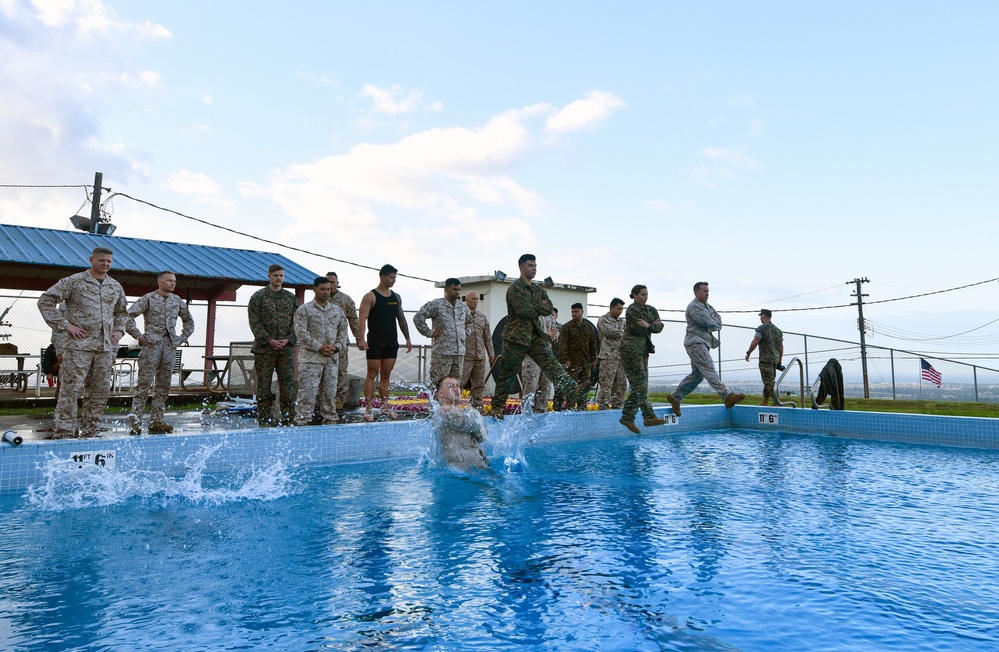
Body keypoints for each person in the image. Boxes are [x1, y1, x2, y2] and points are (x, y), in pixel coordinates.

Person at [37, 246, 128, 438]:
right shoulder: (74, 281)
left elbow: (121, 312)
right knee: (70, 390)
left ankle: (91, 432)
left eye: (109, 261)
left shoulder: (115, 286)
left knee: (99, 393)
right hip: (78, 348)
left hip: (104, 349)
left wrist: (119, 330)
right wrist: (65, 325)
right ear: (91, 260)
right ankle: (64, 433)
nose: (105, 264)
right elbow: (45, 301)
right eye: (102, 260)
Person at [488, 254, 590, 419]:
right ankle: (496, 408)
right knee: (508, 373)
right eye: (530, 265)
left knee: (552, 365)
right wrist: (538, 306)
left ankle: (573, 389)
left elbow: (548, 307)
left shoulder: (538, 289)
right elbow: (524, 311)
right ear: (521, 267)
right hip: (516, 338)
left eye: (535, 265)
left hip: (536, 336)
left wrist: (536, 306)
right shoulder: (515, 288)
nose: (534, 268)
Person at [125, 271, 196, 435]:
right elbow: (128, 316)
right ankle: (135, 423)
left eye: (174, 281)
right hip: (151, 346)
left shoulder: (177, 301)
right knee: (143, 385)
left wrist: (181, 338)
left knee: (163, 386)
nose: (173, 284)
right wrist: (139, 337)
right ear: (160, 282)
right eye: (169, 281)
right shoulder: (148, 298)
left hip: (170, 346)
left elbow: (189, 321)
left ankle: (157, 421)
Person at [666, 282, 745, 416]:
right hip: (695, 342)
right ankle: (727, 395)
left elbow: (719, 322)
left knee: (697, 375)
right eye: (704, 291)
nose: (707, 294)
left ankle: (676, 397)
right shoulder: (693, 306)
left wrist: (712, 322)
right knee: (708, 368)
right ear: (696, 292)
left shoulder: (708, 307)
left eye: (708, 291)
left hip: (703, 342)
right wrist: (711, 322)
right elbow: (707, 322)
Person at [357, 264, 413, 421]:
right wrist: (361, 339)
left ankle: (384, 407)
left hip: (391, 342)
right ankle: (368, 409)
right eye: (391, 277)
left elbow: (401, 318)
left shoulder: (396, 297)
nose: (394, 280)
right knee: (372, 374)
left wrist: (407, 338)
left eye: (395, 277)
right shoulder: (370, 296)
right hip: (375, 342)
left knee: (386, 375)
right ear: (382, 277)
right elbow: (362, 319)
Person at [248, 263, 298, 427]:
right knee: (263, 386)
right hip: (265, 350)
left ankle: (288, 418)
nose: (279, 278)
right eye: (276, 275)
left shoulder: (291, 298)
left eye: (281, 275)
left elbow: (296, 322)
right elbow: (255, 322)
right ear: (269, 276)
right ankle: (264, 419)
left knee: (288, 386)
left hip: (286, 350)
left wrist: (289, 339)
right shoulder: (258, 297)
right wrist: (269, 340)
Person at [294, 277, 349, 426]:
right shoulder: (304, 310)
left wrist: (336, 347)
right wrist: (319, 347)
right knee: (307, 393)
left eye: (328, 289)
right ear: (315, 289)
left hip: (331, 359)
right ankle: (303, 419)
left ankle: (330, 419)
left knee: (330, 393)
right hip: (311, 359)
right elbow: (301, 333)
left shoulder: (337, 311)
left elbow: (343, 332)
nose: (326, 292)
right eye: (323, 289)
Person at [619, 285, 667, 433]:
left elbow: (660, 327)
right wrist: (651, 325)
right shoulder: (632, 310)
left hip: (643, 350)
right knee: (640, 384)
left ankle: (627, 417)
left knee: (641, 385)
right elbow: (637, 328)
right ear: (634, 295)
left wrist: (648, 325)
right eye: (642, 295)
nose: (645, 297)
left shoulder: (651, 309)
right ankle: (649, 416)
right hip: (630, 350)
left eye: (647, 294)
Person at [413, 278, 471, 391]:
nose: (457, 292)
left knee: (454, 385)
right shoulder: (436, 305)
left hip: (459, 353)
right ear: (447, 289)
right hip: (442, 353)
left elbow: (469, 322)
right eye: (454, 289)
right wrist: (429, 333)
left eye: (459, 290)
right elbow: (418, 317)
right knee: (438, 383)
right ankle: (436, 407)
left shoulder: (463, 307)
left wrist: (465, 334)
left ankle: (451, 408)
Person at [434, 375, 489, 470]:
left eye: (457, 386)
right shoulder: (442, 413)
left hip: (479, 463)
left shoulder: (465, 413)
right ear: (440, 393)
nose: (456, 389)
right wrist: (475, 417)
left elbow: (481, 437)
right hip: (460, 468)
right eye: (451, 386)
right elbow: (467, 424)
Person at [326, 272, 360, 412]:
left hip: (340, 343)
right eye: (328, 282)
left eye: (333, 282)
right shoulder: (319, 299)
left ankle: (339, 400)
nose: (330, 285)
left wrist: (359, 338)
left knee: (341, 371)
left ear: (337, 282)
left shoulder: (346, 300)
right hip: (323, 344)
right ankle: (323, 400)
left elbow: (353, 320)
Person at [555, 303, 596, 410]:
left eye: (576, 311)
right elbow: (562, 344)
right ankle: (571, 407)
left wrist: (593, 359)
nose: (574, 314)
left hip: (585, 361)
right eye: (572, 312)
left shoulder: (588, 327)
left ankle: (582, 406)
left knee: (584, 385)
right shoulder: (567, 327)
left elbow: (592, 344)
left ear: (582, 312)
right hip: (572, 362)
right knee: (572, 385)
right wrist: (566, 360)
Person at [460, 291, 495, 412]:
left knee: (479, 384)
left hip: (479, 356)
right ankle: (454, 407)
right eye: (472, 299)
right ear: (466, 300)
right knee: (460, 383)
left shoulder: (482, 317)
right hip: (464, 356)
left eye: (477, 299)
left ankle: (477, 407)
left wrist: (491, 352)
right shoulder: (461, 315)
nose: (475, 301)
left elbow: (487, 337)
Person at [520, 308, 559, 413]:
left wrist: (555, 335)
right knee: (530, 389)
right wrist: (546, 334)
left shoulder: (549, 316)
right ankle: (526, 415)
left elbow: (555, 332)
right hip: (532, 359)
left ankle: (541, 412)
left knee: (545, 388)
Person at [745, 309, 784, 406]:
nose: (760, 318)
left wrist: (748, 353)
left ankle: (776, 401)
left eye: (760, 316)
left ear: (764, 316)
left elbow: (755, 341)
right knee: (769, 380)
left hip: (765, 359)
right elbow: (781, 347)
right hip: (775, 360)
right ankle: (765, 401)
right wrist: (780, 360)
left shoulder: (761, 329)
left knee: (769, 381)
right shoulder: (778, 331)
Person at [596, 298, 627, 410]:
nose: (620, 311)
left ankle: (618, 404)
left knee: (621, 383)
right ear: (612, 307)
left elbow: (627, 334)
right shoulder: (603, 320)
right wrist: (623, 333)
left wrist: (623, 333)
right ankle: (603, 405)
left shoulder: (622, 321)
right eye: (618, 309)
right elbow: (610, 332)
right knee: (606, 383)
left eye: (622, 309)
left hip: (620, 357)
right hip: (607, 356)